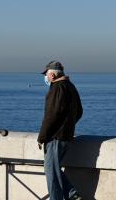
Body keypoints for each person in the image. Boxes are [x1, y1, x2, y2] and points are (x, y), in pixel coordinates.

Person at [37, 61, 83, 200]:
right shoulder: (70, 86)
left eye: (46, 74)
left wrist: (42, 137)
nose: (45, 77)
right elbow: (79, 112)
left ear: (52, 74)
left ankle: (66, 195)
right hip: (66, 136)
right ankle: (72, 194)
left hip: (55, 138)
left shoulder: (57, 88)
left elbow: (52, 115)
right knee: (54, 170)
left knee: (51, 173)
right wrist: (68, 125)